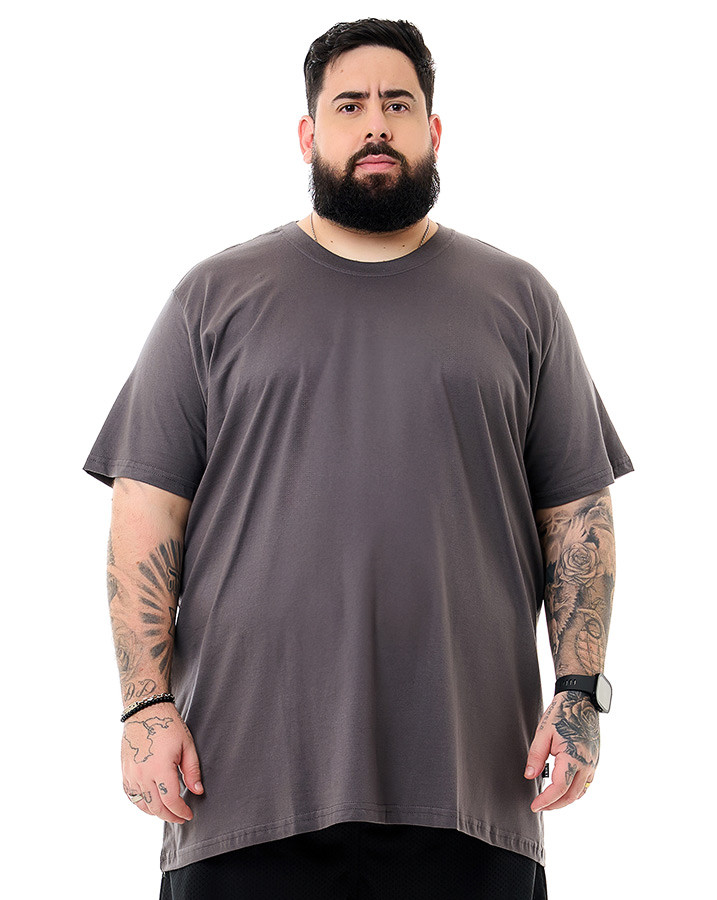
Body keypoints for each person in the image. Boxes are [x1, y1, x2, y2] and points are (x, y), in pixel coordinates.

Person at [84, 17, 634, 900]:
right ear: (308, 135)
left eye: (397, 104)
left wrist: (578, 694)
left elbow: (577, 515)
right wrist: (145, 706)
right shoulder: (211, 299)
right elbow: (145, 511)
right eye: (349, 106)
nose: (375, 123)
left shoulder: (519, 300)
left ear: (433, 130)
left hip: (471, 789)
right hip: (237, 789)